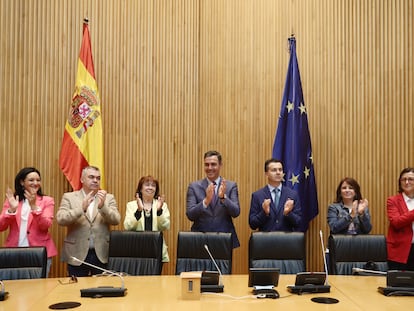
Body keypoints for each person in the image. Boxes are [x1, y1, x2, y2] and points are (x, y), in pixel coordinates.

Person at [56, 166, 121, 276]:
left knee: (101, 289)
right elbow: (61, 219)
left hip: (101, 253)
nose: (95, 180)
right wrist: (81, 208)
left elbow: (116, 220)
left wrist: (103, 207)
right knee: (76, 290)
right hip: (76, 253)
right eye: (91, 177)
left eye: (98, 178)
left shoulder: (108, 198)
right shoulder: (69, 197)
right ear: (82, 179)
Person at [0, 167, 57, 276]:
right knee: (14, 288)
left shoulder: (47, 201)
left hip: (39, 253)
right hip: (14, 251)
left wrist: (34, 207)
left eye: (38, 180)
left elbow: (45, 225)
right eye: (31, 180)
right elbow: (1, 226)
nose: (35, 183)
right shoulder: (12, 200)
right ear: (22, 182)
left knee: (39, 290)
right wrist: (11, 210)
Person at [186, 150, 240, 248]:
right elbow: (190, 215)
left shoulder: (231, 186)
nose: (210, 168)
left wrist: (223, 198)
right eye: (207, 165)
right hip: (200, 239)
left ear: (220, 165)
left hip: (224, 239)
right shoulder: (194, 186)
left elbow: (236, 212)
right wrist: (205, 201)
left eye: (213, 164)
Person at [124, 175, 170, 263]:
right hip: (137, 249)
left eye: (153, 185)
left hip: (156, 249)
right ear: (140, 189)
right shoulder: (131, 205)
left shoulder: (162, 205)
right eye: (147, 185)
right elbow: (128, 227)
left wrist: (159, 211)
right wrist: (139, 211)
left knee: (156, 277)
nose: (150, 187)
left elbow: (165, 226)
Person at [249, 158, 302, 231]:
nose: (278, 172)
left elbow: (299, 222)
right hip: (265, 240)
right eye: (274, 170)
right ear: (266, 173)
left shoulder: (292, 194)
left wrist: (288, 213)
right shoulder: (257, 195)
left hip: (286, 241)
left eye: (280, 170)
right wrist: (264, 213)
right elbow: (252, 224)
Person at [386, 167, 414, 271]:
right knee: (400, 284)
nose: (407, 182)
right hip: (400, 251)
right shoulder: (393, 200)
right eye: (404, 179)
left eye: (410, 179)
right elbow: (396, 222)